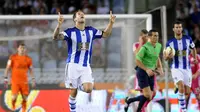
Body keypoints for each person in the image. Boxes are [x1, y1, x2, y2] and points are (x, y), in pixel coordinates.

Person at [53, 10, 115, 112]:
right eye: (79, 14)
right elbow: (56, 37)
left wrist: (111, 23)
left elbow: (105, 34)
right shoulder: (70, 31)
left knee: (88, 89)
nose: (82, 14)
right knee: (73, 92)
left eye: (82, 13)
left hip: (85, 65)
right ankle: (73, 110)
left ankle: (77, 85)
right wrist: (59, 25)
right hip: (73, 65)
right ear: (75, 19)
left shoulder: (91, 30)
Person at [125, 29, 163, 112]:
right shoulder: (136, 45)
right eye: (144, 37)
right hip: (142, 71)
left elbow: (156, 56)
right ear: (141, 37)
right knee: (145, 94)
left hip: (151, 72)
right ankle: (141, 108)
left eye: (147, 36)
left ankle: (136, 103)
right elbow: (137, 55)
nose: (146, 38)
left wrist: (160, 68)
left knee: (153, 93)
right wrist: (141, 43)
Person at [164, 21, 197, 112]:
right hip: (176, 67)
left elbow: (193, 48)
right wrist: (167, 56)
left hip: (187, 68)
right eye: (176, 27)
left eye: (180, 27)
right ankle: (183, 109)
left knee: (187, 92)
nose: (178, 29)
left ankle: (177, 87)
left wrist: (194, 58)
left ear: (181, 29)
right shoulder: (169, 43)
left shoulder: (188, 39)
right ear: (174, 29)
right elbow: (165, 58)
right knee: (181, 86)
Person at [4, 43, 36, 112]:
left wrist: (33, 79)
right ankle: (13, 107)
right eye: (21, 48)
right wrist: (6, 79)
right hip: (15, 81)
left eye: (23, 48)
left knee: (25, 98)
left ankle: (23, 110)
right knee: (13, 97)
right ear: (17, 49)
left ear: (25, 49)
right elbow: (7, 68)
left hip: (24, 81)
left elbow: (31, 70)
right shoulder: (13, 57)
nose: (22, 49)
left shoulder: (28, 59)